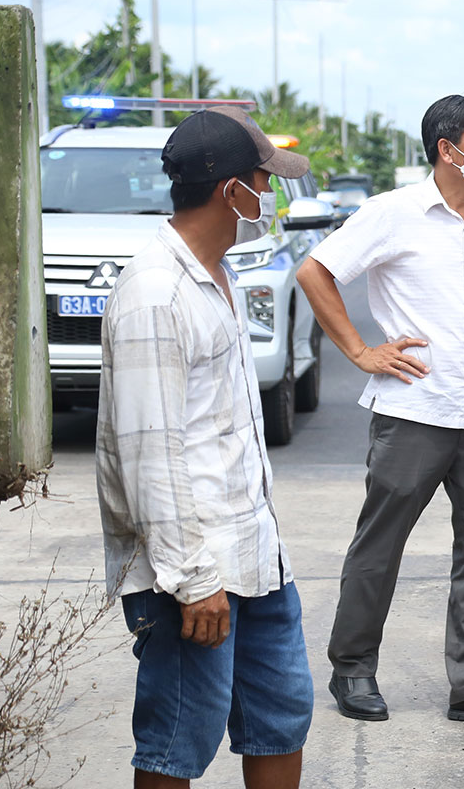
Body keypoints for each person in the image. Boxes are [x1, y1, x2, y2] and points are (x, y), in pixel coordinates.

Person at [297, 92, 464, 729]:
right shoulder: (392, 214)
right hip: (414, 410)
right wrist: (359, 350)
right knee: (380, 546)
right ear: (448, 149)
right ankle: (352, 667)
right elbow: (315, 272)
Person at [96, 105, 314, 787]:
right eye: (264, 180)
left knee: (281, 718)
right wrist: (193, 583)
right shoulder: (155, 296)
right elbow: (149, 457)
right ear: (232, 192)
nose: (272, 195)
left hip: (252, 552)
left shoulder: (215, 276)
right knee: (176, 741)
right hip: (191, 571)